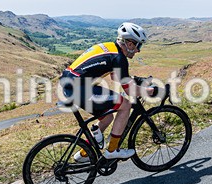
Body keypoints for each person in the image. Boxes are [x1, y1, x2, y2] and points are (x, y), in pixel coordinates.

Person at [59, 22, 157, 161]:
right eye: (138, 46)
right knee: (125, 105)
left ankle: (83, 154)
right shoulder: (119, 58)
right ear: (130, 44)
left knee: (107, 117)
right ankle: (112, 150)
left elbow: (115, 76)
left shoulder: (110, 48)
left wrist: (136, 80)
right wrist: (152, 91)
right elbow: (130, 91)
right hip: (79, 88)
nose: (138, 51)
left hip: (70, 85)